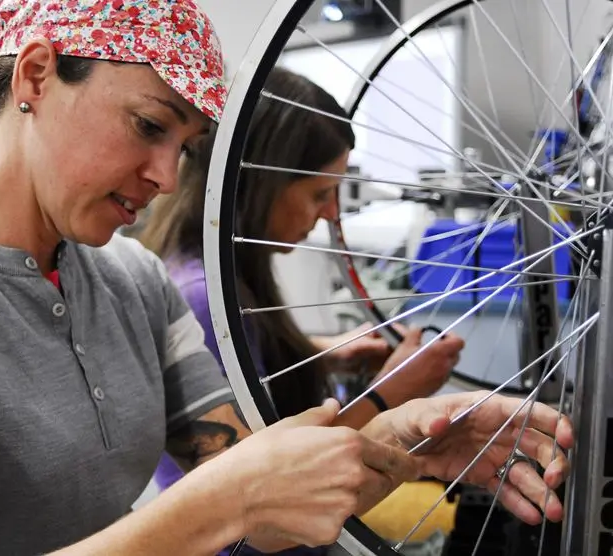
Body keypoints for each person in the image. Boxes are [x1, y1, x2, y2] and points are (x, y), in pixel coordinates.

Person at [0, 2, 572, 556]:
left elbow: (263, 505)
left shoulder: (131, 279)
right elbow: (235, 495)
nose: (165, 175)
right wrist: (225, 501)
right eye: (149, 125)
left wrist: (400, 440)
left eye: (187, 144)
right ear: (38, 74)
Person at [140, 68, 466, 546]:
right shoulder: (199, 295)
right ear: (261, 183)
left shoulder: (219, 277)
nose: (332, 212)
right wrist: (392, 391)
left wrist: (316, 351)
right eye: (319, 192)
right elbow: (268, 486)